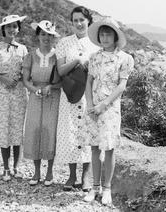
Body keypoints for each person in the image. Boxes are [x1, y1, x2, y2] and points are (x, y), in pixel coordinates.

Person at [81, 17, 134, 204]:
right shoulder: (94, 57)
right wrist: (89, 104)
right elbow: (89, 82)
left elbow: (121, 86)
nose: (105, 37)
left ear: (115, 36)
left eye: (108, 34)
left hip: (110, 108)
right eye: (102, 34)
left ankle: (107, 189)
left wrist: (104, 104)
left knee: (109, 148)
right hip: (94, 107)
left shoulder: (125, 59)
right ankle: (94, 188)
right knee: (95, 148)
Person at [55, 6, 100, 192]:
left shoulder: (96, 45)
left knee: (88, 133)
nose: (79, 23)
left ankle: (86, 176)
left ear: (88, 21)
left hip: (90, 96)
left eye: (82, 19)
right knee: (70, 133)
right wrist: (77, 62)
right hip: (70, 96)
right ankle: (72, 175)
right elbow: (60, 71)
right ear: (71, 24)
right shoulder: (64, 43)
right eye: (75, 21)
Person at [0, 15, 28, 181]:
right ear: (3, 29)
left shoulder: (23, 49)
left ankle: (16, 167)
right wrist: (5, 79)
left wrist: (21, 78)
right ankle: (5, 168)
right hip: (3, 92)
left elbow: (27, 70)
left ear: (18, 28)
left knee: (17, 129)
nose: (12, 29)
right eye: (8, 26)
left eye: (15, 26)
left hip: (19, 92)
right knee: (4, 129)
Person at [22, 20, 61, 187]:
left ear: (53, 37)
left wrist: (51, 87)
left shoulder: (59, 56)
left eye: (49, 35)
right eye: (43, 34)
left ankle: (50, 172)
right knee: (35, 131)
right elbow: (25, 80)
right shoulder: (30, 56)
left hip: (54, 97)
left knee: (50, 132)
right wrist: (35, 90)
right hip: (35, 97)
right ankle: (36, 172)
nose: (46, 37)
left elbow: (63, 81)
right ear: (38, 35)